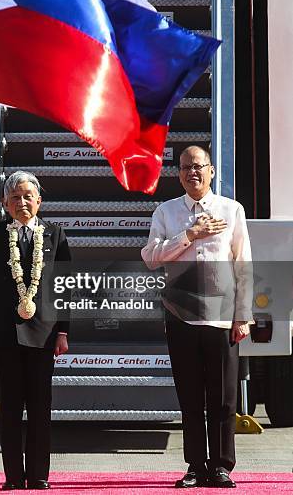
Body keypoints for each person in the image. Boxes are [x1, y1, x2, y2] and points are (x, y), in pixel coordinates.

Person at [141, 146, 253, 489]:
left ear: (212, 171)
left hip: (221, 318)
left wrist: (243, 316)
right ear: (179, 174)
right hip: (181, 315)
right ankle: (195, 464)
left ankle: (221, 466)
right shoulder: (167, 211)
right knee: (189, 397)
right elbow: (150, 257)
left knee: (222, 398)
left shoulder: (231, 210)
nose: (193, 172)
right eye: (187, 167)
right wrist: (188, 235)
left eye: (199, 167)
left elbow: (243, 265)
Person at [0, 170, 70, 491]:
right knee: (11, 407)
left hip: (44, 334)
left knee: (41, 407)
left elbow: (64, 288)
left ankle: (40, 474)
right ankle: (13, 475)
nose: (22, 202)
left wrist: (63, 332)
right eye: (15, 197)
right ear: (4, 202)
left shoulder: (55, 234)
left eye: (28, 196)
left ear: (39, 201)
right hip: (4, 334)